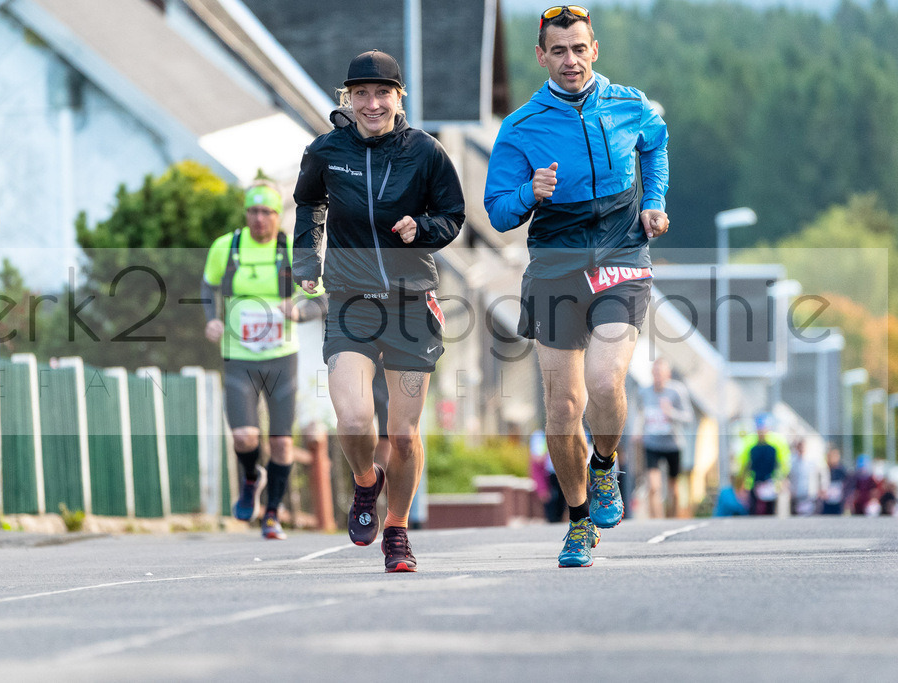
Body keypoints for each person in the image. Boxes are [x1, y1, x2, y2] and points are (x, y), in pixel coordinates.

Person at [484, 6, 669, 567]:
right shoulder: (519, 127)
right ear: (541, 56)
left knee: (605, 379)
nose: (570, 60)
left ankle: (606, 465)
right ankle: (579, 521)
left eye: (579, 48)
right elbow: (496, 211)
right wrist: (531, 194)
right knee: (563, 406)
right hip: (556, 262)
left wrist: (654, 203)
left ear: (595, 49)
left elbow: (656, 145)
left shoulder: (630, 104)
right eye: (558, 51)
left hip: (620, 251)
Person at [293, 50, 464, 572]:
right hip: (350, 300)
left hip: (412, 303)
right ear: (348, 97)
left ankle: (397, 530)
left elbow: (452, 215)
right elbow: (308, 203)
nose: (372, 103)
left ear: (398, 97)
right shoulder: (325, 151)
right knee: (352, 418)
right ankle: (366, 483)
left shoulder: (426, 152)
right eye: (361, 94)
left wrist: (422, 228)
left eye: (382, 93)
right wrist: (306, 257)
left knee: (405, 435)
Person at [202, 181, 325, 540]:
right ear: (246, 214)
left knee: (283, 442)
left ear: (278, 215)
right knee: (243, 436)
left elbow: (322, 301)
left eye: (267, 212)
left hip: (281, 358)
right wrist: (212, 318)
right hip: (238, 356)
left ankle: (271, 514)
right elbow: (206, 286)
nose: (259, 219)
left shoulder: (292, 251)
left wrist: (299, 313)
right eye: (253, 212)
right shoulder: (227, 247)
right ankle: (251, 478)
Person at [634, 358, 693, 518]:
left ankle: (672, 519)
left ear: (668, 375)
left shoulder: (677, 391)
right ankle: (657, 523)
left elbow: (689, 418)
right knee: (653, 487)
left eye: (660, 373)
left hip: (673, 444)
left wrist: (671, 413)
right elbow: (639, 413)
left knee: (674, 488)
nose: (657, 376)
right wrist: (637, 430)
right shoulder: (644, 392)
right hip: (652, 443)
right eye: (655, 373)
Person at [734, 413, 791, 516]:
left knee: (767, 510)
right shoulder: (753, 445)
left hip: (768, 482)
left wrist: (782, 480)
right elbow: (744, 466)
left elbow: (782, 465)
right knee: (757, 510)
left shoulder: (771, 445)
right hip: (757, 482)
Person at [788, 439, 817, 516]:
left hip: (809, 494)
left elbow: (820, 475)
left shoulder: (812, 460)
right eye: (799, 446)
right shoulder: (791, 460)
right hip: (796, 493)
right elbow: (788, 476)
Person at [818, 445, 848, 515]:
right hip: (826, 502)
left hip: (838, 502)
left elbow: (846, 485)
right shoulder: (824, 470)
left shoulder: (841, 470)